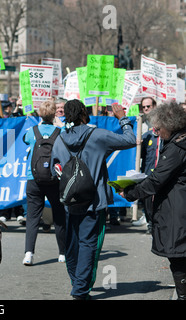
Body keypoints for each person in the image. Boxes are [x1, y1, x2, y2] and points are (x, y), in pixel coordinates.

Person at [51, 100, 136, 300]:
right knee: (89, 244)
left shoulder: (60, 139)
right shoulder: (96, 135)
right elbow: (130, 139)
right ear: (83, 113)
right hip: (93, 201)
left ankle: (76, 282)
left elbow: (54, 170)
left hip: (70, 200)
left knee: (72, 244)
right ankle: (80, 290)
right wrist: (122, 117)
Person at [120, 101, 186, 300]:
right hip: (177, 203)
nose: (156, 130)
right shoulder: (178, 141)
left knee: (178, 256)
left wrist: (130, 193)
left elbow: (156, 180)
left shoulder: (177, 147)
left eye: (159, 127)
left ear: (170, 124)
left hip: (177, 207)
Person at [22, 100, 66, 266]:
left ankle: (29, 253)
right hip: (54, 178)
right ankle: (62, 253)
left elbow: (25, 141)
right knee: (59, 215)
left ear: (39, 114)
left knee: (33, 217)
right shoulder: (59, 131)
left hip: (33, 179)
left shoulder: (31, 131)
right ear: (54, 114)